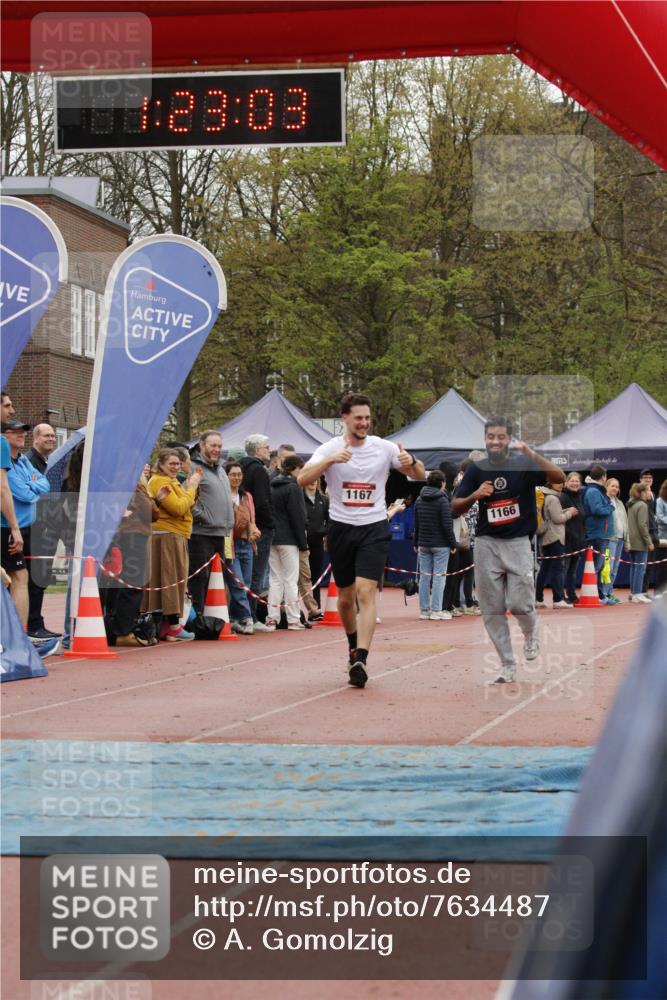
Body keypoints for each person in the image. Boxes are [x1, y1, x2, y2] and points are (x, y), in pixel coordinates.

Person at [298, 393, 426, 689]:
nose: (364, 423)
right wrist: (329, 461)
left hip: (374, 527)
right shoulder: (330, 448)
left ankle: (362, 659)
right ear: (344, 418)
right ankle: (352, 645)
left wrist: (411, 462)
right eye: (358, 418)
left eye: (367, 418)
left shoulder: (383, 447)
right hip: (341, 528)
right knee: (345, 599)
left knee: (366, 591)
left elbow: (418, 474)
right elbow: (302, 479)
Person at [452, 417, 565, 683]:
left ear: (509, 439)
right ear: (485, 438)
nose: (495, 441)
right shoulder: (476, 470)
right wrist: (475, 495)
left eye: (501, 437)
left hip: (518, 543)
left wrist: (532, 454)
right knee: (491, 609)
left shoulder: (523, 464)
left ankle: (531, 632)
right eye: (491, 436)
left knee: (519, 604)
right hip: (486, 543)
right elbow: (455, 507)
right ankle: (507, 664)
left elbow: (558, 478)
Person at [143, 449, 201, 640]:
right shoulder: (160, 481)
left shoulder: (172, 481)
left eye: (178, 463)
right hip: (166, 536)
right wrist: (192, 488)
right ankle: (172, 625)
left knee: (174, 580)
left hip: (176, 534)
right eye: (171, 464)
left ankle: (168, 624)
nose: (176, 467)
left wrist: (192, 492)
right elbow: (178, 508)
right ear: (161, 464)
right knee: (170, 580)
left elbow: (186, 506)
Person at [1, 419, 50, 629]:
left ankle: (27, 628)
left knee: (28, 578)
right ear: (4, 435)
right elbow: (21, 493)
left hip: (27, 527)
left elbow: (45, 484)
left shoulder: (22, 460)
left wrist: (30, 485)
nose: (21, 434)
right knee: (18, 577)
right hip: (10, 527)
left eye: (23, 431)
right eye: (15, 431)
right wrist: (32, 485)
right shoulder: (6, 461)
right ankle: (18, 633)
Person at [187, 430, 234, 615]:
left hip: (221, 533)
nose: (217, 449)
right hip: (201, 533)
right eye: (213, 445)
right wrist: (202, 516)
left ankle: (214, 617)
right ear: (202, 445)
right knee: (200, 578)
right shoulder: (193, 467)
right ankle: (198, 617)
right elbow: (186, 496)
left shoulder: (221, 469)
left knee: (217, 579)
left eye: (219, 446)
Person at [23, 423, 61, 638]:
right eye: (47, 435)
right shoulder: (30, 462)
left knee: (42, 578)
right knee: (36, 578)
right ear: (35, 438)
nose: (51, 439)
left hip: (46, 528)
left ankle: (36, 621)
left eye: (54, 436)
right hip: (36, 529)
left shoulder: (47, 463)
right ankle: (33, 624)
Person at [267, 454, 309, 630]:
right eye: (301, 468)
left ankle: (272, 618)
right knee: (291, 580)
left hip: (273, 537)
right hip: (289, 539)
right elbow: (297, 517)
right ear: (294, 469)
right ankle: (293, 619)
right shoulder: (294, 487)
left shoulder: (272, 485)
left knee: (275, 579)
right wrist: (303, 544)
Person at [240, 434, 275, 632]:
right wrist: (271, 523)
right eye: (266, 447)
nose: (269, 450)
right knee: (257, 574)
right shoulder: (259, 470)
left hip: (244, 526)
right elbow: (262, 501)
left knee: (245, 574)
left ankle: (244, 615)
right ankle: (252, 616)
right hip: (260, 528)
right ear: (257, 450)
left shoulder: (240, 468)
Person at [413, 469, 456, 621]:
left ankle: (424, 610)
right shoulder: (443, 501)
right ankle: (436, 610)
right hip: (441, 545)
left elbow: (417, 524)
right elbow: (447, 525)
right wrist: (453, 543)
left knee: (424, 577)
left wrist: (415, 542)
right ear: (442, 483)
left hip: (423, 544)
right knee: (439, 578)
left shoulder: (419, 499)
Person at [224, 461, 259, 635]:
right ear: (226, 476)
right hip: (230, 544)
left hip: (247, 544)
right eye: (232, 474)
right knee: (238, 584)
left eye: (239, 474)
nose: (236, 478)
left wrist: (254, 531)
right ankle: (247, 617)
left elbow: (252, 520)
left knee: (246, 584)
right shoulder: (223, 496)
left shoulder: (247, 496)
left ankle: (234, 618)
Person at [534, 477, 577, 608]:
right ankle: (558, 599)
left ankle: (538, 599)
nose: (561, 485)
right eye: (558, 482)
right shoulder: (553, 498)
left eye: (562, 482)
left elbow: (550, 515)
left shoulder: (545, 496)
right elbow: (557, 519)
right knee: (557, 569)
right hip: (555, 537)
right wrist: (570, 514)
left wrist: (565, 511)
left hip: (546, 537)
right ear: (550, 483)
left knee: (544, 569)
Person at [582, 465, 616, 600]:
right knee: (596, 566)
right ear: (603, 477)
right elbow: (597, 510)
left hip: (603, 534)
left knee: (601, 566)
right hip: (597, 534)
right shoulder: (593, 491)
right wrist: (610, 507)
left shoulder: (596, 490)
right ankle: (594, 595)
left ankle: (599, 594)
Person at [601, 478, 628, 605]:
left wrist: (627, 541)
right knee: (608, 567)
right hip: (610, 539)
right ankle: (603, 594)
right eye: (612, 486)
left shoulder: (620, 503)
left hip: (620, 538)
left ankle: (609, 592)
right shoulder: (604, 501)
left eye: (617, 487)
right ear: (606, 486)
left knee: (615, 568)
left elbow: (625, 521)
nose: (615, 489)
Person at [626, 482, 653, 604]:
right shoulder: (642, 505)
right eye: (648, 490)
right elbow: (643, 525)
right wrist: (649, 541)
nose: (650, 493)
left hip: (631, 540)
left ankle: (633, 593)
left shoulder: (631, 504)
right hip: (640, 541)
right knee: (640, 568)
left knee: (634, 567)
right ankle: (637, 593)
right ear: (642, 493)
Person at [560, 471, 586, 604]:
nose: (575, 483)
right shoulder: (563, 497)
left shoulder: (579, 497)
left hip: (578, 541)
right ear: (566, 482)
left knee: (572, 571)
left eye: (577, 481)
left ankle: (571, 594)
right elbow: (559, 517)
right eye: (572, 481)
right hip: (566, 540)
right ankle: (559, 596)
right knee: (563, 570)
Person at [303, 479, 329, 609]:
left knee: (316, 576)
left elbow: (330, 520)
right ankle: (297, 610)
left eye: (315, 479)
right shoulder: (299, 498)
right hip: (302, 543)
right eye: (310, 479)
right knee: (301, 577)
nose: (313, 482)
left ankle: (317, 607)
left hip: (317, 542)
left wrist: (323, 532)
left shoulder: (324, 500)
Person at [639, 469, 659, 597]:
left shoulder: (653, 494)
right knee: (642, 565)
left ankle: (644, 591)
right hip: (644, 533)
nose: (648, 479)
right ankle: (638, 591)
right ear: (640, 479)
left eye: (650, 477)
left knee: (650, 565)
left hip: (654, 532)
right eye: (645, 477)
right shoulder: (638, 494)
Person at [656, 478, 667, 596]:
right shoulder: (659, 501)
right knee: (662, 566)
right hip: (662, 538)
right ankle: (659, 591)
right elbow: (659, 517)